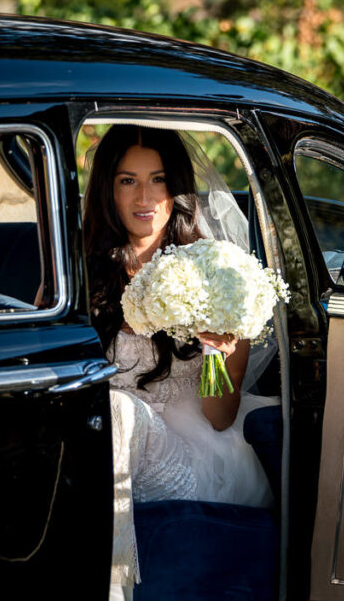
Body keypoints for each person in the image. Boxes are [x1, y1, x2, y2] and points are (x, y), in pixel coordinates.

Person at [82, 125, 275, 597]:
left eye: (159, 180)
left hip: (189, 447)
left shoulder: (218, 274)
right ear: (109, 188)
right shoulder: (82, 271)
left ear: (179, 189)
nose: (144, 196)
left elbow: (219, 415)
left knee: (120, 412)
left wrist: (217, 352)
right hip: (94, 442)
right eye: (128, 180)